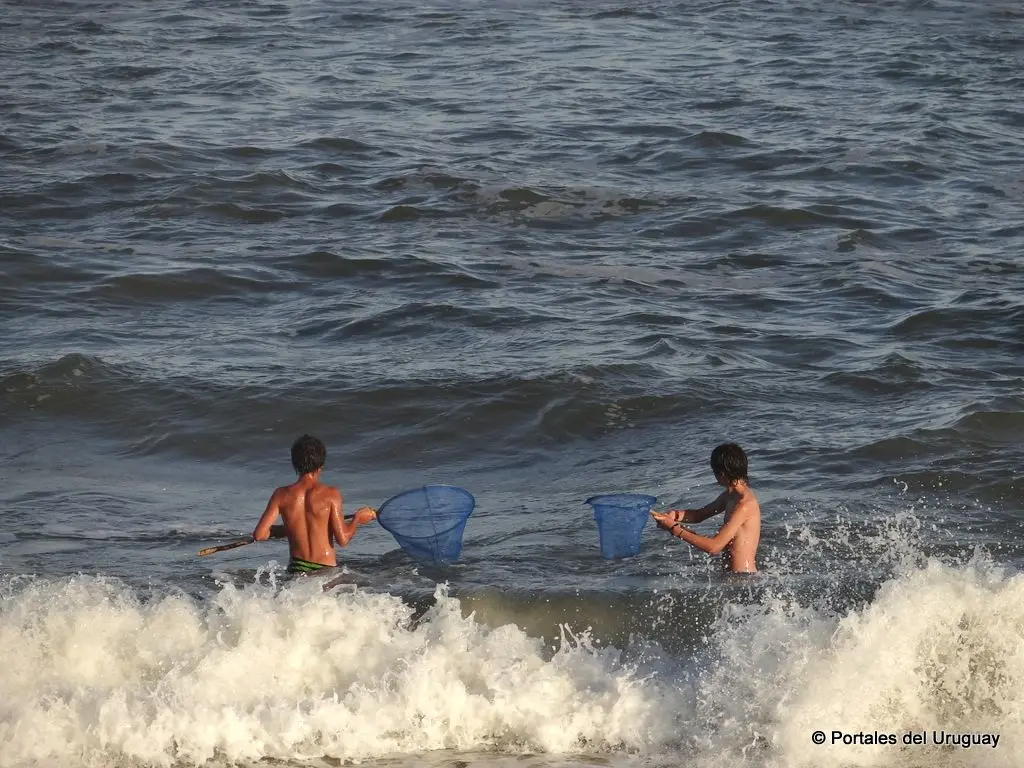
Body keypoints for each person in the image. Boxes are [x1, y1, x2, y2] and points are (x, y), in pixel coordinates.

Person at [253, 434, 377, 573]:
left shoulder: (281, 494)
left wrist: (287, 529)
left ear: (294, 464)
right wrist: (357, 519)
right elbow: (343, 540)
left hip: (296, 570)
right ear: (321, 465)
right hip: (324, 571)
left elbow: (260, 535)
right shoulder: (331, 494)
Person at [651, 443, 760, 573]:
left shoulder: (744, 504)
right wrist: (674, 515)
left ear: (722, 474)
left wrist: (674, 528)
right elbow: (699, 515)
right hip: (732, 576)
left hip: (743, 578)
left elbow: (714, 547)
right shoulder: (730, 496)